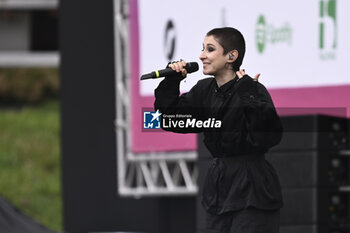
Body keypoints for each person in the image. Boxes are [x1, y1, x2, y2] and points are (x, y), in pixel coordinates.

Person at [154, 27, 283, 233]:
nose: (201, 55)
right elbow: (169, 120)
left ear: (231, 56)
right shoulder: (204, 90)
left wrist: (249, 97)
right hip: (219, 189)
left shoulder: (252, 89)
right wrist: (172, 81)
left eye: (210, 49)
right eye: (202, 48)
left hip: (251, 186)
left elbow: (268, 136)